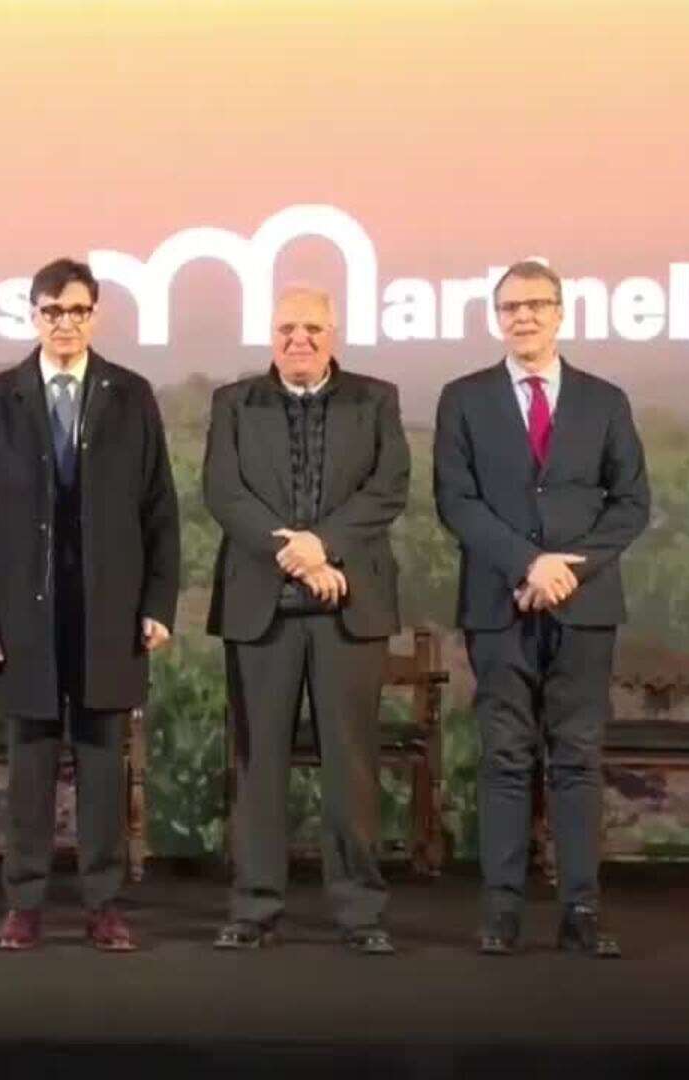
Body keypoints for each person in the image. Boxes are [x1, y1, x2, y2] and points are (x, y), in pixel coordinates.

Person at [0, 257, 180, 952]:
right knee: (29, 765)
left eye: (78, 311)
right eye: (53, 311)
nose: (65, 323)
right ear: (33, 315)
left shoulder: (131, 394)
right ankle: (23, 905)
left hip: (109, 614)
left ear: (96, 314)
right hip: (25, 617)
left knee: (102, 766)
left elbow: (160, 511)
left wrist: (157, 605)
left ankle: (103, 905)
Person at [434, 259, 650, 958]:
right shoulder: (463, 398)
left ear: (561, 313)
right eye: (510, 307)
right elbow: (456, 502)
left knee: (578, 758)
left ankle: (581, 909)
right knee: (503, 756)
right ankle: (500, 912)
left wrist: (566, 570)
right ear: (498, 319)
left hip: (582, 609)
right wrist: (528, 564)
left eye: (536, 305)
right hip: (499, 605)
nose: (523, 317)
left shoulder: (604, 400)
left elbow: (631, 504)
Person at [202, 285, 409, 955]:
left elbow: (389, 487)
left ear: (334, 333)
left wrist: (325, 545)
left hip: (350, 605)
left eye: (313, 327)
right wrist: (295, 554)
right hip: (261, 605)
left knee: (350, 764)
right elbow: (225, 492)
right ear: (271, 333)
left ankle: (359, 913)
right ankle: (255, 907)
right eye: (288, 326)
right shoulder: (233, 404)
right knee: (259, 761)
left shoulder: (375, 400)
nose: (300, 338)